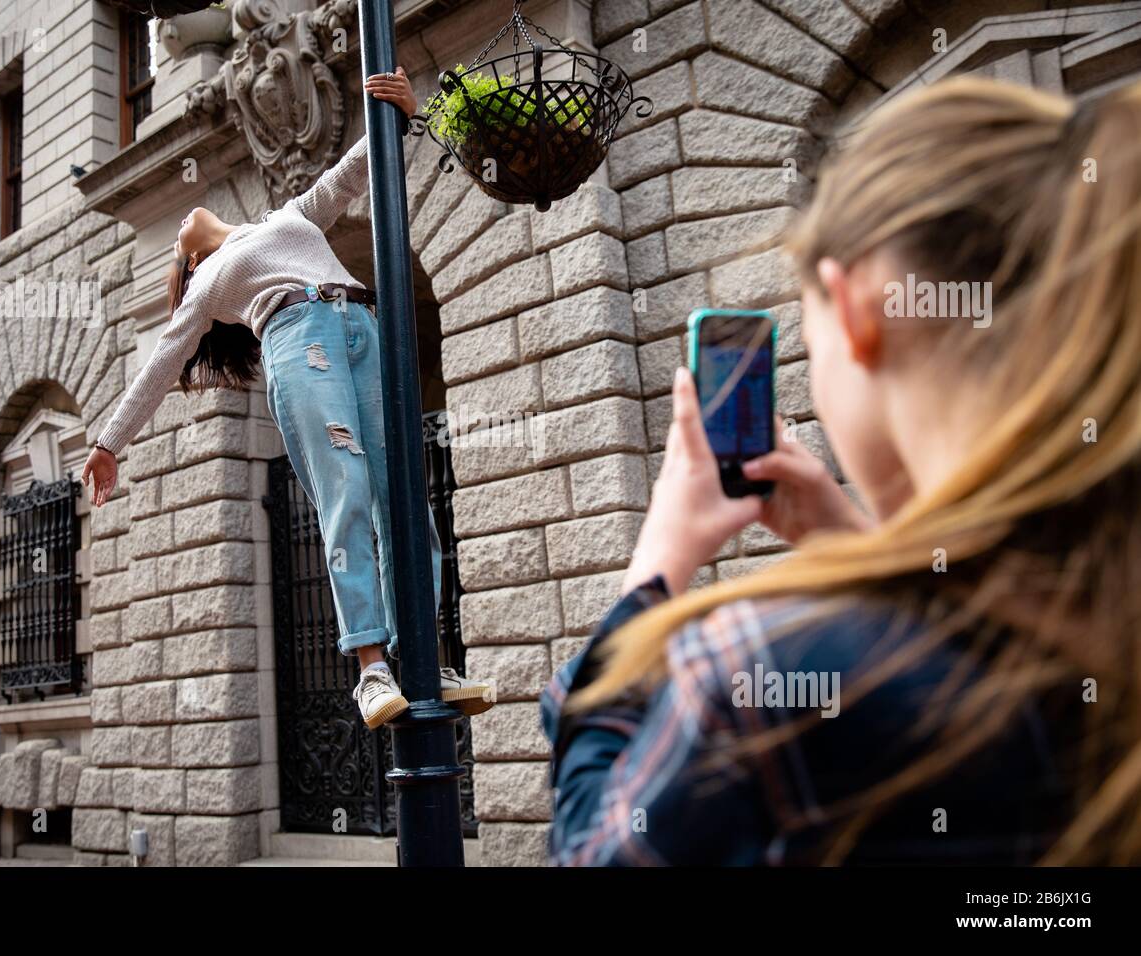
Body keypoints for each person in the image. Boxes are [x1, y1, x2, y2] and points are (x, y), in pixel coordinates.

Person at [542, 76, 1141, 865]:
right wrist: (857, 543)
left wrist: (657, 562)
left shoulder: (763, 671)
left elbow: (595, 847)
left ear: (854, 311)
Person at [82, 67, 496, 730]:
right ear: (188, 263)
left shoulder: (286, 218)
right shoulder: (207, 286)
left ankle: (428, 657)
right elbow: (162, 363)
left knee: (406, 502)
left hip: (365, 326)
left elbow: (348, 176)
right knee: (346, 493)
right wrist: (108, 443)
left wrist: (403, 114)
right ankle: (371, 670)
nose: (194, 213)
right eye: (186, 232)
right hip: (299, 339)